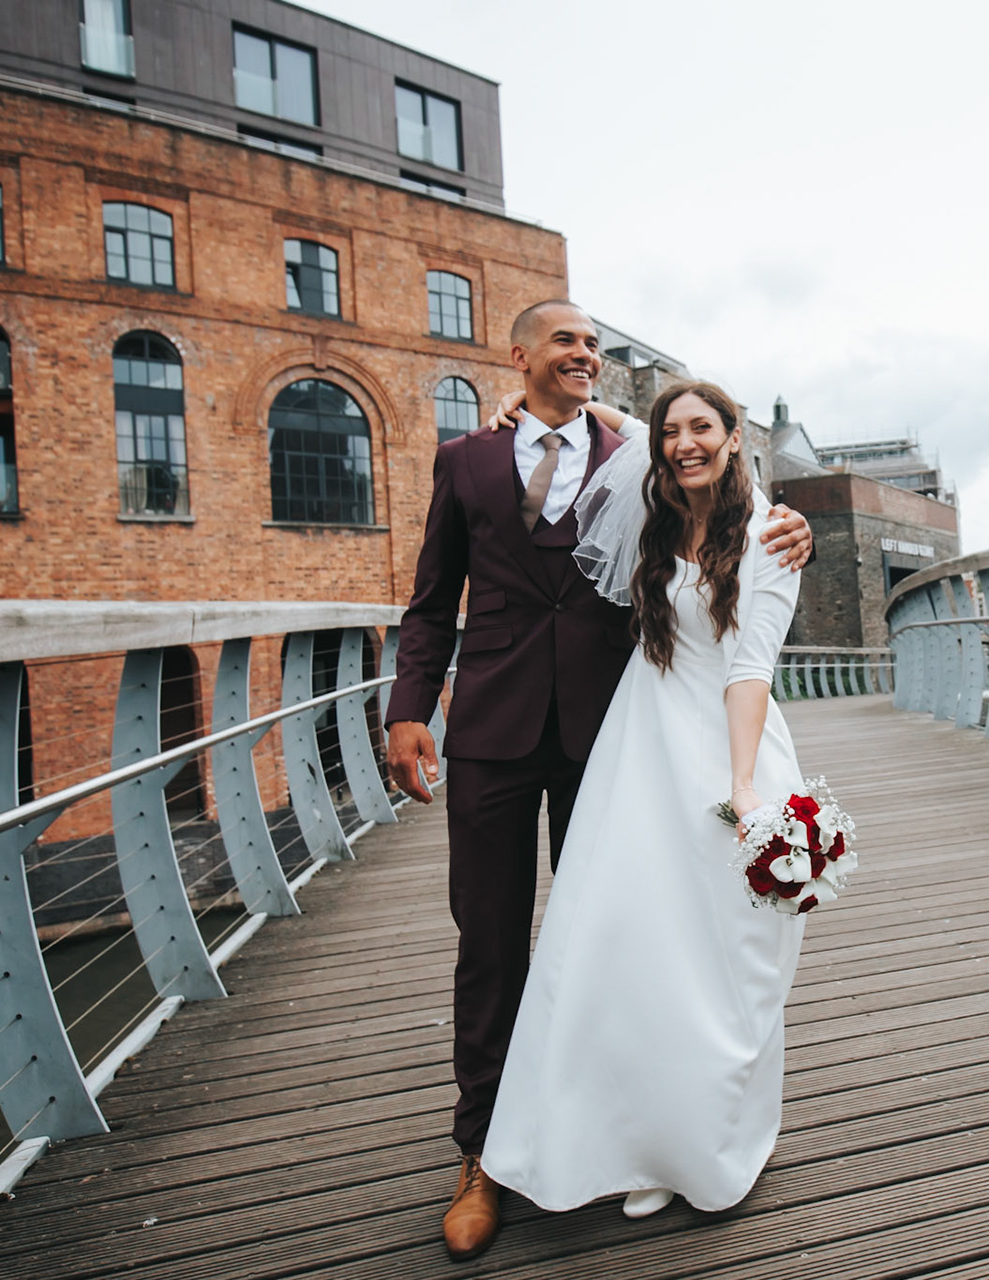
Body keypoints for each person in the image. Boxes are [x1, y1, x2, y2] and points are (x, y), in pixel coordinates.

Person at [381, 302, 812, 1261]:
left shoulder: (634, 463)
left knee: (623, 941)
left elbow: (713, 487)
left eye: (594, 346)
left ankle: (626, 1131)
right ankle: (482, 1155)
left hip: (611, 736)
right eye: (565, 341)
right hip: (493, 730)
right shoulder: (469, 461)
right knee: (490, 943)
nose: (584, 354)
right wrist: (410, 707)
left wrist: (795, 531)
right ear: (521, 355)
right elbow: (430, 597)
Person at [480, 379, 809, 1220]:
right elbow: (615, 420)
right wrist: (525, 406)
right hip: (639, 751)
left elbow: (750, 670)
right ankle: (642, 1141)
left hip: (725, 752)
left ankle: (708, 1142)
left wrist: (740, 790)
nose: (683, 443)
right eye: (672, 432)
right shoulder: (659, 513)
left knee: (725, 962)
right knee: (632, 948)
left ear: (738, 438)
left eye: (704, 428)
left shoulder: (771, 536)